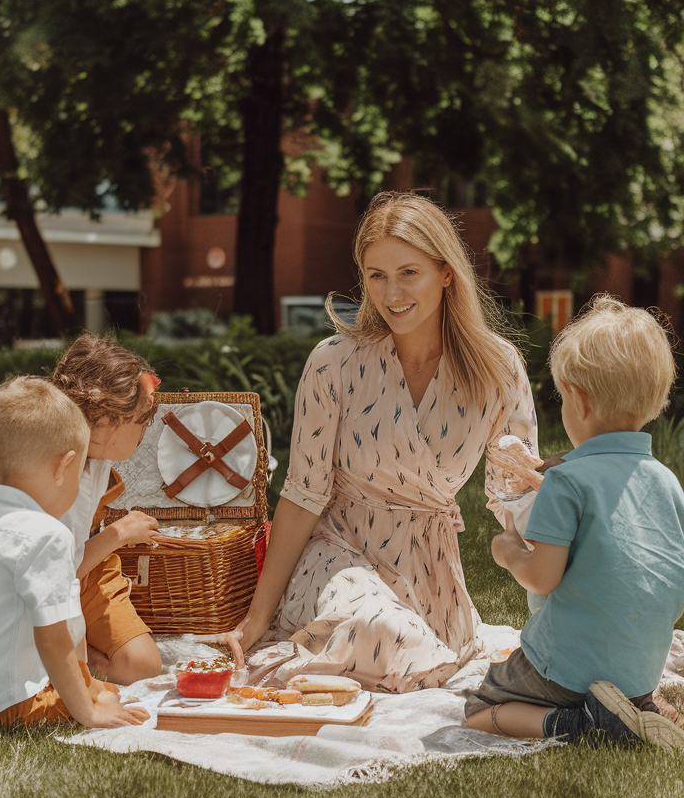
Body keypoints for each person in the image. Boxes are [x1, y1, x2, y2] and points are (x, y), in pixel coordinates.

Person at [230, 191, 543, 692]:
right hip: (338, 553)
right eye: (376, 275)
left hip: (430, 572)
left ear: (446, 272)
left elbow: (519, 496)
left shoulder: (498, 369)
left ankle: (351, 662)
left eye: (408, 273)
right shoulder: (333, 362)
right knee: (383, 631)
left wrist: (561, 590)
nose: (391, 293)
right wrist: (255, 619)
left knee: (414, 649)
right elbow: (301, 494)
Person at [465, 296, 684, 750]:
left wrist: (508, 552)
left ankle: (576, 724)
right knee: (615, 674)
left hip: (564, 670)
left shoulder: (567, 481)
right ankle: (632, 707)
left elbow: (543, 579)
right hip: (639, 668)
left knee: (479, 709)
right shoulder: (667, 483)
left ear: (578, 401)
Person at [0, 376, 149, 728]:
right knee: (111, 697)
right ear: (63, 466)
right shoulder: (47, 536)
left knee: (103, 689)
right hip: (6, 704)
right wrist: (87, 710)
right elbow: (56, 641)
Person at [52, 335, 163, 685]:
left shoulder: (96, 453)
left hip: (86, 566)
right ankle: (59, 666)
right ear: (102, 419)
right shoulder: (62, 482)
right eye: (140, 420)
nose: (145, 431)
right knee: (134, 667)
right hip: (51, 582)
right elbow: (55, 576)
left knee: (142, 664)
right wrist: (119, 534)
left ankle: (69, 661)